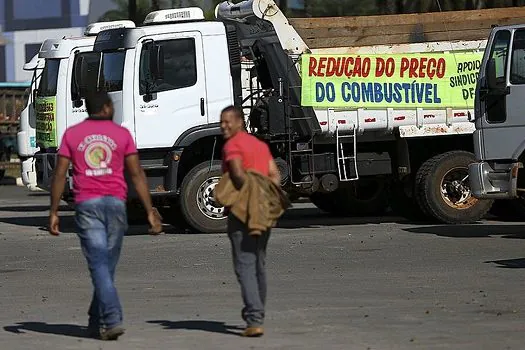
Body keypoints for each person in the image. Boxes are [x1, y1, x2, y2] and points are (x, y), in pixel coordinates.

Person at [48, 90, 162, 341]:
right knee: (104, 266)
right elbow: (137, 174)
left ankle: (95, 319)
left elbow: (59, 175)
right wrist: (149, 211)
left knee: (101, 267)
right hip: (115, 205)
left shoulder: (72, 135)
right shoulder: (121, 134)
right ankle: (111, 318)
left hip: (87, 205)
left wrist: (54, 211)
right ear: (108, 108)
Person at [219, 105, 282, 337]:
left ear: (239, 122)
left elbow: (236, 173)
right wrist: (264, 196)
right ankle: (257, 313)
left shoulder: (232, 145)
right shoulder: (260, 145)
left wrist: (249, 197)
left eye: (227, 122)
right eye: (221, 122)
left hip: (242, 212)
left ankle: (254, 318)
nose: (223, 126)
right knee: (258, 264)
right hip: (264, 212)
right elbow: (275, 175)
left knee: (245, 265)